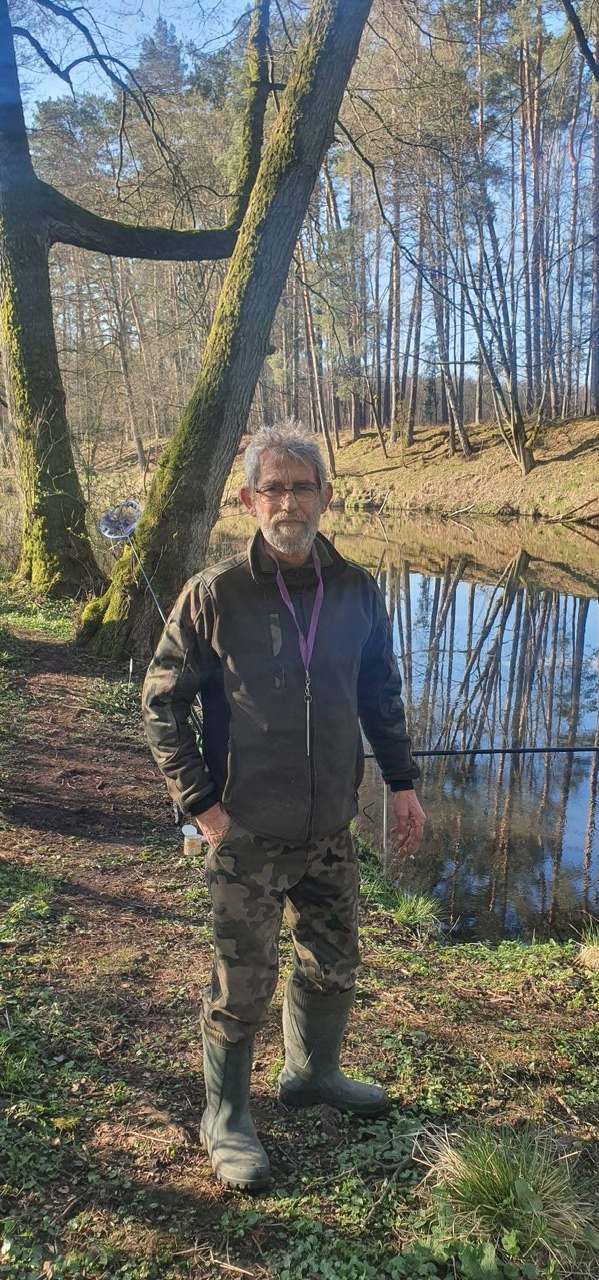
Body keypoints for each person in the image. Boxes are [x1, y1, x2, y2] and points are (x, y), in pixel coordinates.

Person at [142, 426, 425, 1192]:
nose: (289, 502)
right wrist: (202, 807)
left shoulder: (357, 589)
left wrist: (401, 782)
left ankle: (311, 1074)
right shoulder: (215, 594)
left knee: (333, 963)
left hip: (330, 826)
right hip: (246, 831)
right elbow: (161, 704)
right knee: (242, 983)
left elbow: (380, 692)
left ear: (326, 497)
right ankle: (226, 1118)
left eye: (303, 487)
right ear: (248, 500)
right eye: (274, 488)